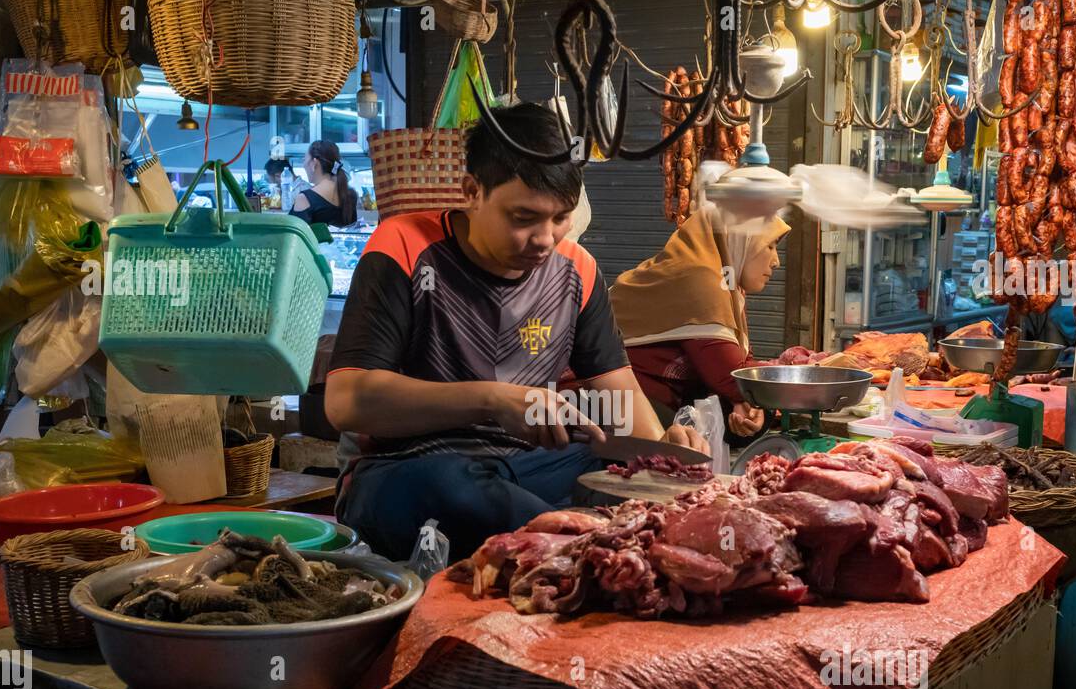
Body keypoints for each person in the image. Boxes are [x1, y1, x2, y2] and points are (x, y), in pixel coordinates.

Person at [324, 102, 708, 561]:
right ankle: (588, 545)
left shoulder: (577, 270)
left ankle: (580, 541)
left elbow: (617, 389)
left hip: (530, 466)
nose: (546, 238)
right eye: (524, 218)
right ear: (472, 192)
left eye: (561, 217)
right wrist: (493, 400)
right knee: (452, 491)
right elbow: (347, 402)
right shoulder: (405, 245)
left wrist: (660, 451)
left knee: (630, 475)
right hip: (410, 467)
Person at [609, 206, 789, 438]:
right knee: (749, 402)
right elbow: (733, 376)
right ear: (739, 241)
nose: (776, 262)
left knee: (751, 411)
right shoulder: (700, 279)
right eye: (770, 246)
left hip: (661, 395)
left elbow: (740, 362)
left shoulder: (727, 283)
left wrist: (746, 402)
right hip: (611, 399)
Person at [291, 139, 357, 228]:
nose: (304, 165)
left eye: (305, 159)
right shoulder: (350, 195)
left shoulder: (305, 198)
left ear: (314, 163)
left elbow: (294, 237)